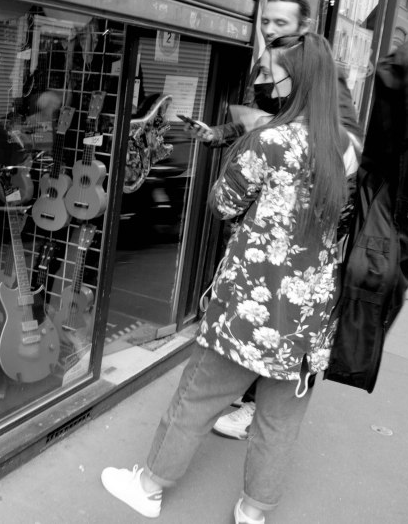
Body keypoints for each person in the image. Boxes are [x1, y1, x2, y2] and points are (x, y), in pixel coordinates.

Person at [101, 33, 358, 523]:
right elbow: (343, 221)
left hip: (250, 305)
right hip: (309, 316)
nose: (259, 82)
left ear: (295, 81)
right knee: (279, 422)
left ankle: (149, 487)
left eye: (267, 74)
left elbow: (222, 204)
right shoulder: (344, 148)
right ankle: (253, 512)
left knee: (197, 397)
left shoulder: (269, 142)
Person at [184, 0, 363, 441]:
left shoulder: (319, 73)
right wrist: (222, 134)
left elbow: (344, 142)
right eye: (266, 20)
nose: (269, 28)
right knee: (265, 317)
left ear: (304, 27)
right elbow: (261, 117)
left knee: (276, 318)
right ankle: (250, 396)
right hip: (265, 219)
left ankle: (248, 402)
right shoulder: (271, 66)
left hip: (300, 227)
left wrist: (281, 153)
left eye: (280, 23)